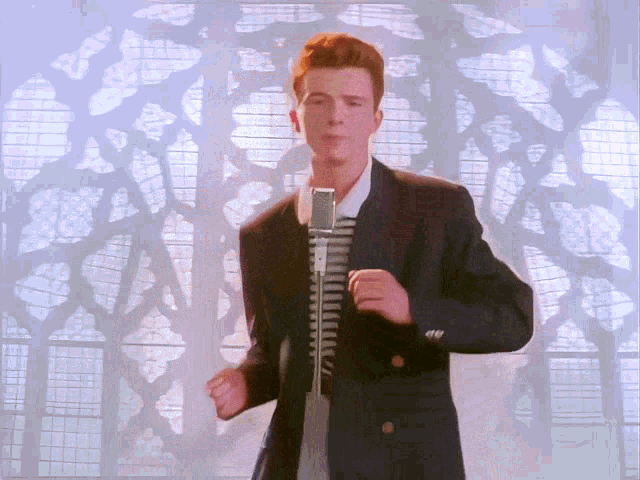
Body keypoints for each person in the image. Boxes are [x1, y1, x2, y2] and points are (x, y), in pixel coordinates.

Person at [206, 32, 534, 479]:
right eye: (319, 101)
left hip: (398, 463)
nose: (335, 117)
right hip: (297, 460)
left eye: (353, 103)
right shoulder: (266, 234)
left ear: (375, 119)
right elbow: (276, 352)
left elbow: (514, 317)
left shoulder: (435, 209)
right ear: (295, 118)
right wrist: (246, 383)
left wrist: (414, 310)